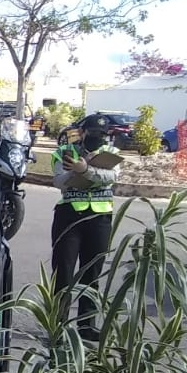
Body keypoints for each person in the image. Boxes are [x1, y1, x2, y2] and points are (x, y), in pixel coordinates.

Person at [50, 114, 120, 342]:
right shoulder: (65, 152)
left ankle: (86, 326)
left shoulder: (111, 154)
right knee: (63, 273)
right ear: (83, 132)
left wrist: (85, 170)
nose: (97, 137)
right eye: (92, 133)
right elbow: (59, 181)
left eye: (102, 134)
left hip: (99, 218)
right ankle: (57, 327)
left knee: (92, 273)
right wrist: (76, 170)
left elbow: (111, 177)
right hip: (69, 216)